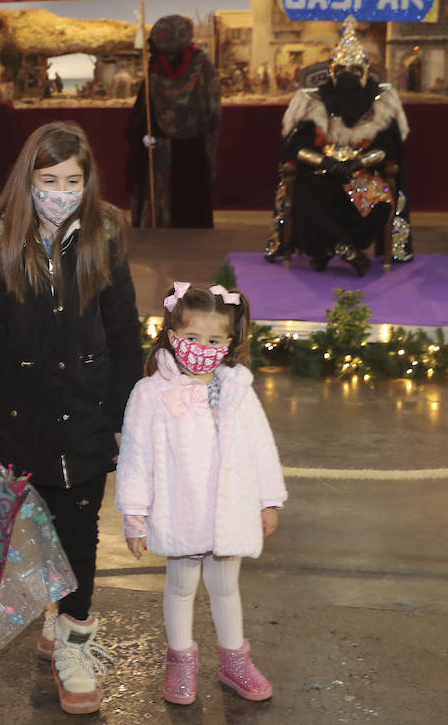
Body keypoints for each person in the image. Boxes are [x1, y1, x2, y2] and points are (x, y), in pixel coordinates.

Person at [0, 121, 143, 715]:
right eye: (49, 180)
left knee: (81, 529)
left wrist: (121, 411)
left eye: (72, 181)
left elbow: (123, 331)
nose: (61, 192)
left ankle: (74, 641)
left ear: (87, 182)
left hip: (89, 409)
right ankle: (55, 612)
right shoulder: (1, 236)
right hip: (26, 411)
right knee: (38, 527)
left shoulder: (104, 234)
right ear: (29, 179)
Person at [116, 282, 286, 706]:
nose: (202, 348)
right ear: (172, 334)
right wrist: (135, 515)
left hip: (231, 510)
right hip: (181, 511)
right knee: (181, 586)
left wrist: (268, 500)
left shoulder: (238, 389)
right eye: (192, 337)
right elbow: (136, 456)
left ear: (229, 343)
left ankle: (234, 662)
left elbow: (261, 447)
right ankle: (181, 662)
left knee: (226, 587)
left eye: (213, 340)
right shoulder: (151, 393)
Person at [264, 17, 413, 275]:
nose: (348, 76)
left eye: (354, 70)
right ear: (332, 72)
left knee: (381, 201)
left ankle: (332, 248)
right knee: (303, 198)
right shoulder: (313, 102)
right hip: (320, 175)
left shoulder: (381, 103)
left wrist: (358, 163)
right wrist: (325, 162)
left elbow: (388, 150)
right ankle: (345, 248)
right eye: (342, 70)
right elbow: (294, 148)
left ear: (364, 72)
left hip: (361, 176)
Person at [126, 15, 222, 228]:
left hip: (172, 144)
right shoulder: (200, 64)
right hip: (182, 144)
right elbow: (212, 109)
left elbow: (144, 106)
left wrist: (145, 131)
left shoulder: (158, 64)